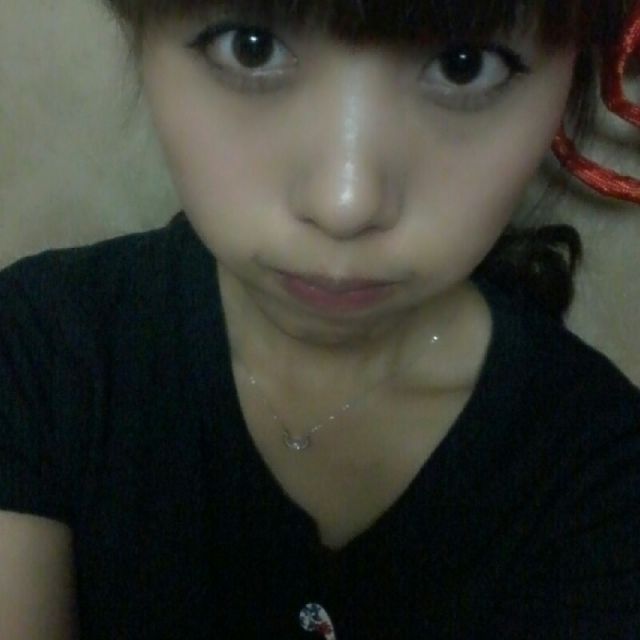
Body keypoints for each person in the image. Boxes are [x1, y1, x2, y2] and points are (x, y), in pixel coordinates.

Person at [1, 0, 639, 638]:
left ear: (573, 77)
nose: (345, 204)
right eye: (250, 46)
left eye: (463, 65)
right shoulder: (40, 351)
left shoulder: (605, 476)